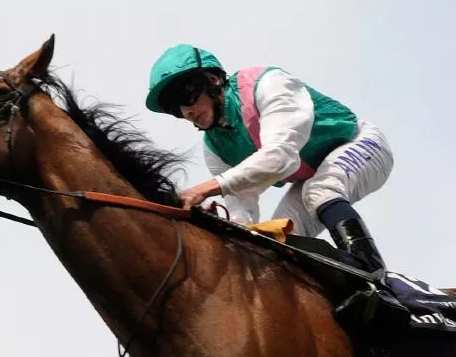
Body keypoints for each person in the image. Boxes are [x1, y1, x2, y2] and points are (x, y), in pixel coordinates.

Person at [146, 44, 393, 281]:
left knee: (320, 190)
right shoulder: (214, 149)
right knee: (279, 239)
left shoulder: (267, 84)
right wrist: (223, 227)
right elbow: (242, 211)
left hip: (361, 143)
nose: (186, 112)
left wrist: (205, 189)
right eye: (175, 108)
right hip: (311, 176)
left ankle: (373, 274)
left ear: (212, 80)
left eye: (186, 97)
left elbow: (281, 156)